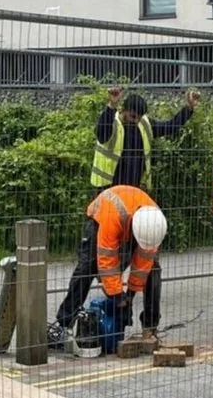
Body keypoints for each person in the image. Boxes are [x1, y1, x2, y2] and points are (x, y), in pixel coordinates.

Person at [48, 185, 169, 348]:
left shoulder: (153, 225)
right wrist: (118, 297)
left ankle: (150, 327)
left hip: (131, 221)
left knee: (153, 271)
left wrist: (130, 297)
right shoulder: (112, 217)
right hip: (100, 219)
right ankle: (64, 324)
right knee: (87, 267)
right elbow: (107, 262)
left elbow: (141, 269)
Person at [90, 85, 198, 194]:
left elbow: (170, 126)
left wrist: (188, 108)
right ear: (123, 110)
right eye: (133, 116)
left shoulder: (144, 125)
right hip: (108, 189)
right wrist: (112, 105)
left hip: (134, 189)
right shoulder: (112, 124)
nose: (136, 120)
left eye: (139, 117)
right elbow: (101, 134)